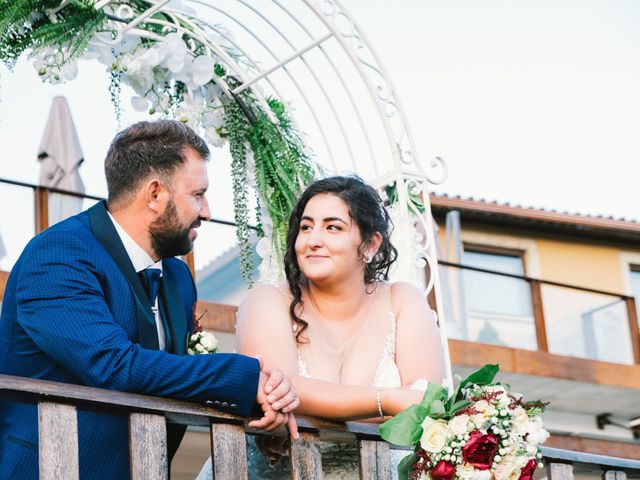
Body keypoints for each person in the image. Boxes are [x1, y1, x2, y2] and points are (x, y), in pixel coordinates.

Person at [0, 120, 298, 480]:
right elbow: (114, 366)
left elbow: (173, 373)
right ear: (155, 194)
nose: (206, 211)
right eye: (197, 194)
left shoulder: (177, 276)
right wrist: (245, 377)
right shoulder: (58, 255)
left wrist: (266, 392)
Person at [220, 175, 446, 478]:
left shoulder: (402, 300)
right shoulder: (266, 300)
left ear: (369, 244)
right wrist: (389, 400)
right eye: (306, 227)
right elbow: (275, 391)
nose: (313, 240)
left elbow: (426, 405)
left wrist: (307, 403)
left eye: (333, 227)